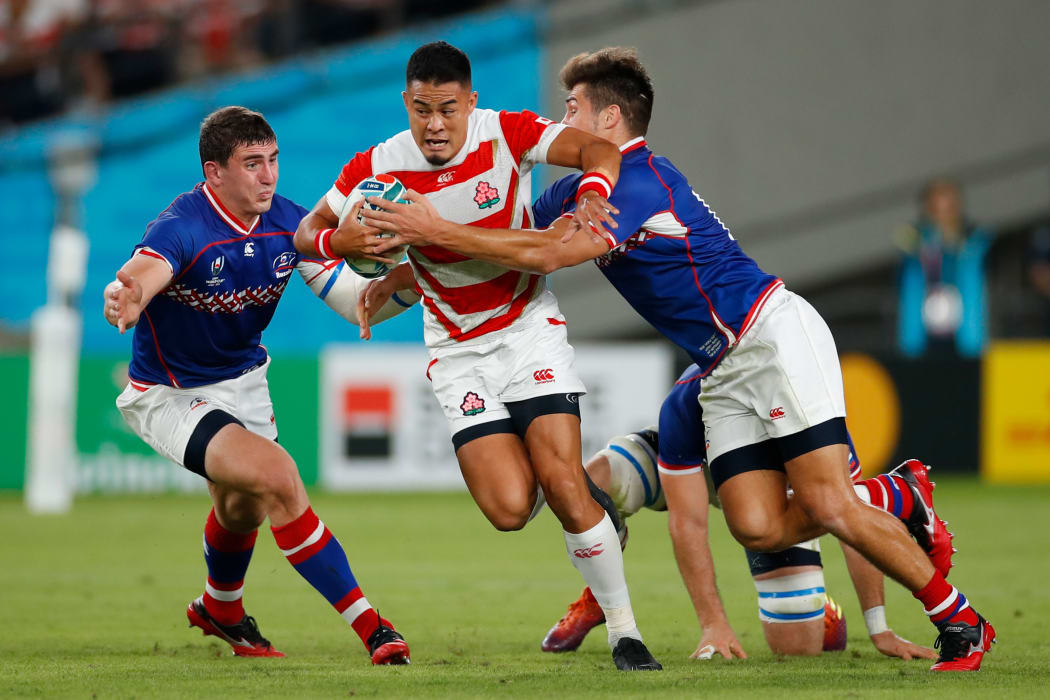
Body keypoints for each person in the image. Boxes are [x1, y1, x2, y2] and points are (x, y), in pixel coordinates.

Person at [360, 47, 995, 672]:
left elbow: (546, 257)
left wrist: (428, 232)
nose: (562, 120)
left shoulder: (638, 182)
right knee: (755, 524)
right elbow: (503, 241)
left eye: (573, 108)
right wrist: (413, 274)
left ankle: (959, 619)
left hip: (768, 335)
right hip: (719, 367)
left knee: (831, 503)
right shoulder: (574, 192)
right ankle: (896, 491)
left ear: (609, 121)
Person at [292, 42, 660, 671]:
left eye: (447, 110)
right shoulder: (378, 165)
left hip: (526, 329)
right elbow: (305, 237)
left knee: (566, 481)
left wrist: (594, 187)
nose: (434, 125)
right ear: (407, 104)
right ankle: (588, 511)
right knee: (509, 509)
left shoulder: (506, 135)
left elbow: (599, 149)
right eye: (422, 110)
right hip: (457, 352)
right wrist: (340, 239)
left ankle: (625, 633)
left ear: (471, 103)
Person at [102, 105, 416, 665]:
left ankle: (220, 608)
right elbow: (147, 270)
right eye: (252, 164)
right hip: (169, 393)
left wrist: (416, 279)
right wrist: (128, 294)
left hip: (244, 385)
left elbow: (354, 304)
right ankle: (375, 628)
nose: (268, 175)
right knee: (278, 477)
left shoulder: (290, 223)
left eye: (272, 160)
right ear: (214, 172)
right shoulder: (182, 227)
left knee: (241, 508)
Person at [542, 365, 937, 662]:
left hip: (767, 500)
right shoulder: (690, 394)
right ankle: (599, 594)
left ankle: (820, 609)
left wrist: (878, 627)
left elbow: (854, 521)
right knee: (592, 481)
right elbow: (688, 521)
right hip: (697, 470)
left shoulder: (811, 407)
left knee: (798, 647)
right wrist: (713, 624)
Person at [895, 178, 992, 357]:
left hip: (967, 336)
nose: (943, 218)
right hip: (922, 339)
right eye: (936, 210)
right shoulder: (914, 242)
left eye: (948, 210)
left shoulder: (976, 241)